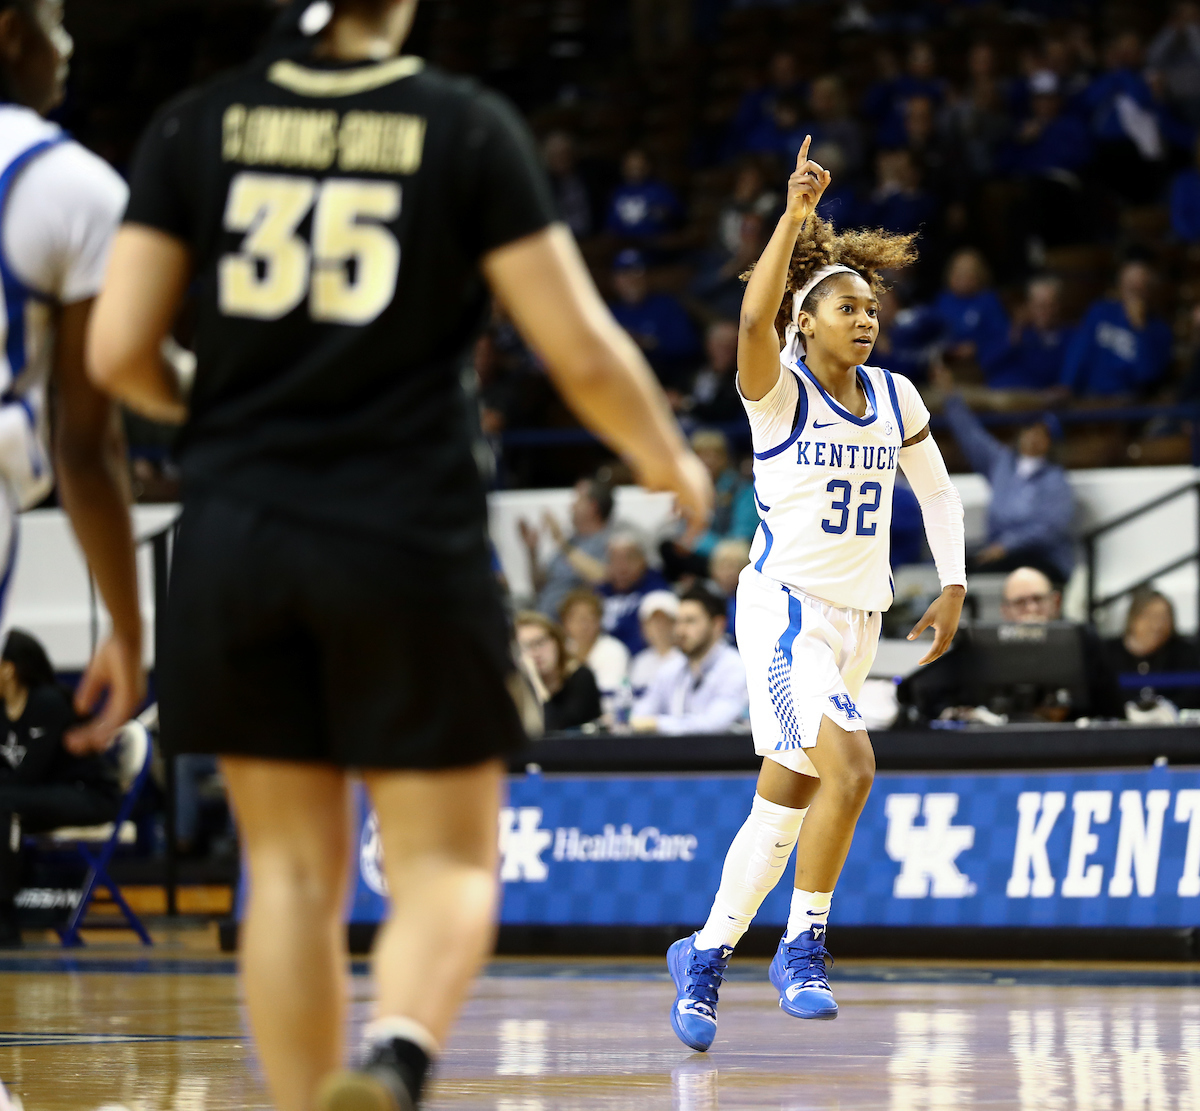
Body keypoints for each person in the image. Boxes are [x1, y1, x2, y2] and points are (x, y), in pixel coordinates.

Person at [87, 2, 712, 1107]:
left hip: (237, 534)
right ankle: (400, 1051)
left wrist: (225, 414)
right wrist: (668, 457)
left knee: (284, 872)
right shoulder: (460, 127)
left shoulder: (197, 125)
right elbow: (576, 346)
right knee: (449, 862)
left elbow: (118, 350)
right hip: (401, 531)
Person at [668, 137, 965, 1049]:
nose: (865, 318)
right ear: (808, 321)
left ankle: (705, 952)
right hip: (786, 611)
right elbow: (752, 318)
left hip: (858, 622)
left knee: (787, 800)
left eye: (872, 307)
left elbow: (940, 491)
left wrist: (954, 583)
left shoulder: (895, 393)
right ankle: (803, 945)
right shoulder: (777, 391)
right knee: (856, 767)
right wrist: (793, 215)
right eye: (846, 306)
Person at [0, 0, 144, 759]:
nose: (68, 44)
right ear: (9, 32)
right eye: (56, 22)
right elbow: (86, 445)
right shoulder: (74, 186)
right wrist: (126, 624)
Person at [0, 629, 122, 947]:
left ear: (8, 668)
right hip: (38, 798)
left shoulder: (48, 704)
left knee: (4, 802)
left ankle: (4, 918)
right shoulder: (2, 712)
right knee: (5, 807)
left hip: (88, 794)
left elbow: (29, 775)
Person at [939, 388, 1075, 583]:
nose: (1033, 437)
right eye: (1029, 430)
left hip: (1042, 558)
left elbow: (1050, 528)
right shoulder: (1002, 463)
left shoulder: (1056, 480)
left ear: (1050, 442)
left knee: (985, 571)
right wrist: (951, 398)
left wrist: (1006, 546)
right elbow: (972, 438)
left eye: (1041, 433)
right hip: (998, 551)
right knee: (957, 570)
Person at [631, 586, 747, 735]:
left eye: (690, 621)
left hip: (725, 756)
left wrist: (657, 723)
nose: (680, 631)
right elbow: (640, 716)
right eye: (678, 622)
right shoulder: (672, 666)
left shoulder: (735, 667)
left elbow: (715, 724)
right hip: (676, 755)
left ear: (718, 625)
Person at [1061, 259, 1173, 398]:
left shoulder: (1159, 329)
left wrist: (1140, 330)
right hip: (1091, 395)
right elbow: (1079, 351)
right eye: (1130, 287)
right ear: (1120, 286)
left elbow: (1147, 375)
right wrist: (1067, 383)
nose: (1134, 294)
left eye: (1140, 289)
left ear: (1149, 291)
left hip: (1130, 399)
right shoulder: (1100, 311)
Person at [519, 477, 614, 619]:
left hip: (572, 623)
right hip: (542, 616)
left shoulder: (608, 541)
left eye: (577, 501)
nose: (571, 507)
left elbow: (602, 577)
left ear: (593, 506)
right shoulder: (571, 541)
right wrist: (532, 551)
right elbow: (539, 586)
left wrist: (560, 541)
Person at [608, 248, 700, 388]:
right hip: (621, 382)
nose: (632, 279)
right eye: (625, 274)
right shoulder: (608, 313)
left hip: (666, 381)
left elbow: (688, 346)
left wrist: (645, 342)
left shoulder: (666, 305)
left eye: (637, 273)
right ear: (615, 281)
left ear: (647, 277)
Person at [1104, 589, 1200, 710]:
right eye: (1150, 617)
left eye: (1164, 617)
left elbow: (1192, 697)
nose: (1157, 625)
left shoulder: (1184, 653)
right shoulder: (1108, 652)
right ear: (1133, 619)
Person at [514, 612, 601, 731]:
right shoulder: (516, 684)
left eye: (540, 642)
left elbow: (554, 729)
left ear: (557, 642)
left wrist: (535, 681)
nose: (535, 653)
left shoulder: (581, 677)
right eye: (525, 646)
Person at [931, 249, 1010, 378]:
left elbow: (1001, 336)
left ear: (979, 275)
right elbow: (932, 334)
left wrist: (977, 348)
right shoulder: (942, 301)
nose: (962, 277)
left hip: (980, 367)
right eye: (958, 272)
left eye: (968, 272)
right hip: (945, 364)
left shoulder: (989, 301)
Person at [986, 276, 1075, 391]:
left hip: (1036, 399)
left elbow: (1057, 373)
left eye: (1051, 305)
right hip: (1000, 395)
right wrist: (1015, 334)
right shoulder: (1013, 331)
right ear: (1029, 306)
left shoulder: (1070, 335)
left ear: (1059, 305)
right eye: (1040, 306)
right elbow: (987, 364)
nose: (1046, 312)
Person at [559, 587, 630, 718]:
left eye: (590, 618)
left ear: (599, 621)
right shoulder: (562, 649)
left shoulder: (613, 650)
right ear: (565, 623)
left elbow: (610, 700)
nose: (584, 625)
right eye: (578, 619)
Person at [598, 532, 670, 655]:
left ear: (643, 560)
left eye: (629, 558)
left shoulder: (657, 589)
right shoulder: (600, 591)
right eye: (614, 560)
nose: (622, 567)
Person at [604, 148, 682, 242]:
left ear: (648, 166)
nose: (634, 170)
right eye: (630, 166)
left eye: (638, 165)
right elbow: (610, 226)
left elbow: (677, 216)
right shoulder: (618, 192)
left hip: (654, 245)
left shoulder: (660, 190)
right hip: (623, 244)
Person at [629, 590, 683, 700]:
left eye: (665, 621)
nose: (658, 627)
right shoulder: (640, 661)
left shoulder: (686, 659)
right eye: (652, 621)